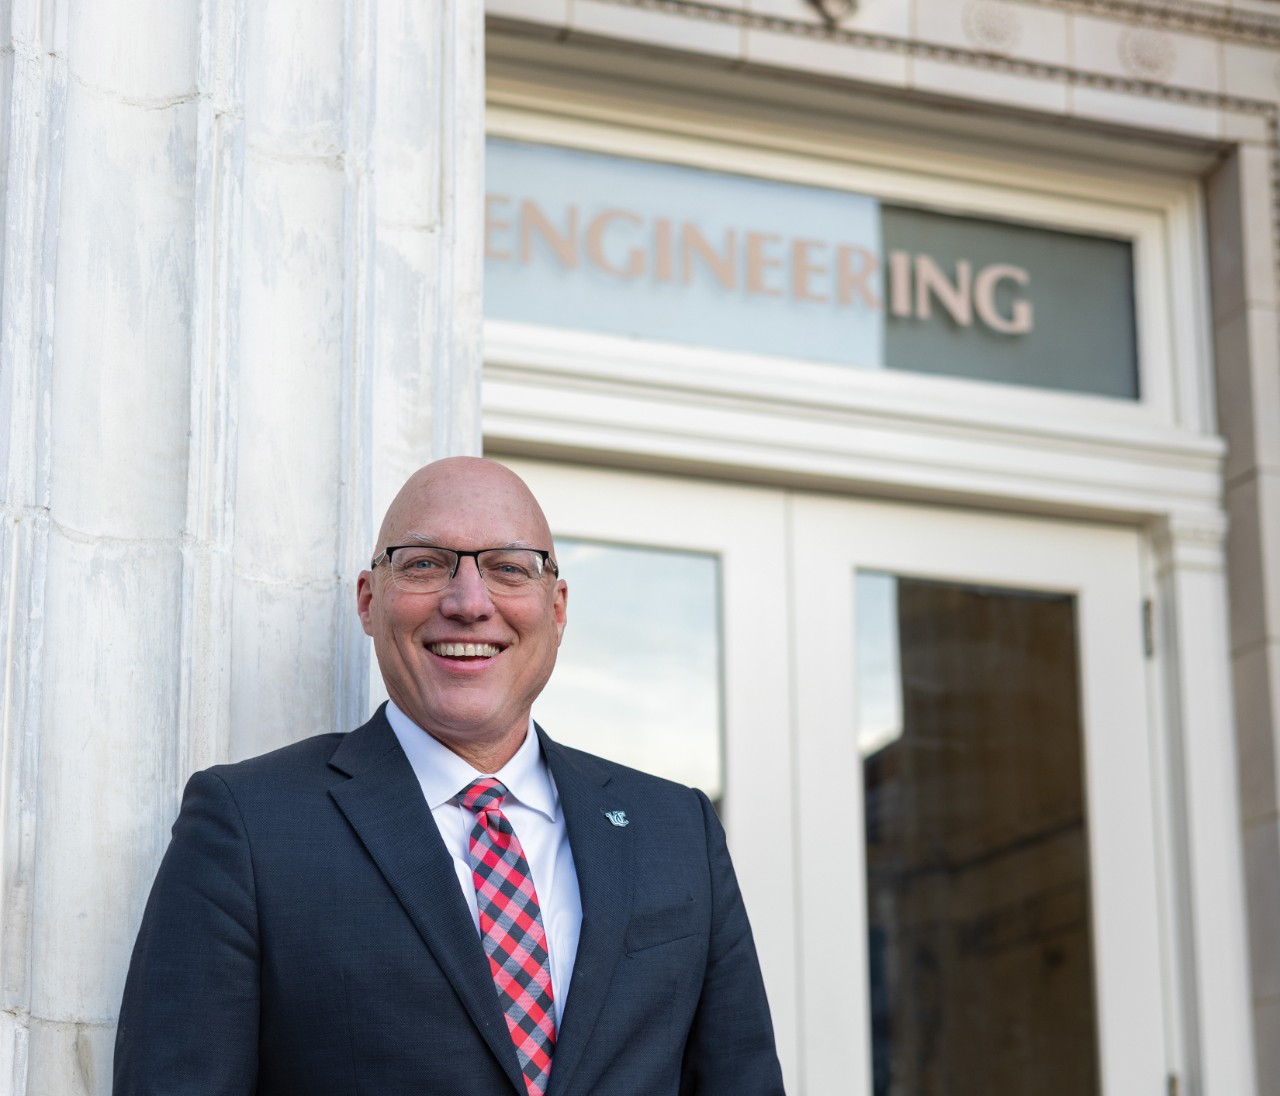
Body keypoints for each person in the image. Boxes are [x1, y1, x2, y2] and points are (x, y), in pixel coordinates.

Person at [114, 456, 784, 1095]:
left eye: (509, 568)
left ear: (556, 609)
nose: (469, 601)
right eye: (426, 564)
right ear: (369, 601)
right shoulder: (248, 826)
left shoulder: (678, 831)